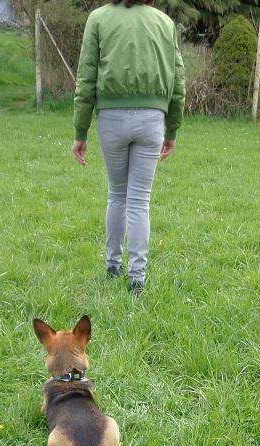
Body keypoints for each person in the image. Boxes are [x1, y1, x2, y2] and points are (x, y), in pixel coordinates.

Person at [72, 0, 185, 294]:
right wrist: (172, 128)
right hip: (152, 120)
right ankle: (137, 278)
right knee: (139, 201)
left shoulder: (98, 19)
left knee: (117, 194)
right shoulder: (165, 22)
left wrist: (80, 130)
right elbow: (178, 81)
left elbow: (86, 78)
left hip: (112, 119)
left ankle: (112, 265)